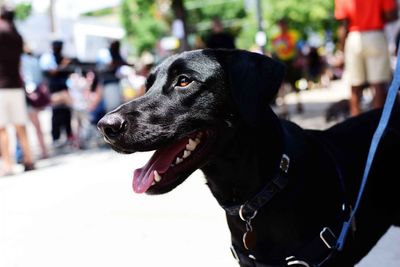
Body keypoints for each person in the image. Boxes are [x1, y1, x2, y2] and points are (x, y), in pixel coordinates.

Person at [335, 0, 398, 116]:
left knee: (355, 86)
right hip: (376, 36)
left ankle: (355, 124)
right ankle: (377, 125)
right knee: (378, 84)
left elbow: (343, 25)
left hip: (353, 38)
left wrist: (341, 52)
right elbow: (391, 15)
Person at [0, 6, 35, 175]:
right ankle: (29, 159)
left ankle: (8, 164)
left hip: (1, 87)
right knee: (20, 125)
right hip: (16, 85)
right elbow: (20, 63)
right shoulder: (17, 35)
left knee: (2, 128)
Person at [40, 40, 74, 148]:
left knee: (67, 114)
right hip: (54, 90)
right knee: (56, 114)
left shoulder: (61, 57)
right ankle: (56, 138)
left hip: (64, 89)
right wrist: (64, 64)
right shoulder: (48, 57)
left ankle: (69, 136)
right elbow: (52, 71)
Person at [271, 18, 304, 116]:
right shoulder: (276, 38)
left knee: (295, 84)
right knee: (282, 86)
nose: (281, 27)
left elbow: (299, 48)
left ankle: (299, 103)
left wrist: (297, 59)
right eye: (280, 25)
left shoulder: (294, 35)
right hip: (281, 62)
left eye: (283, 24)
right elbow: (275, 52)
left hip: (292, 62)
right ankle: (285, 107)